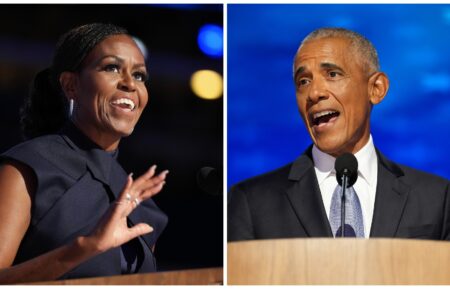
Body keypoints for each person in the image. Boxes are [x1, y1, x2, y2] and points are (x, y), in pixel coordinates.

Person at [228, 27, 450, 241]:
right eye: (303, 81)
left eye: (332, 74)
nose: (314, 93)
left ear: (376, 88)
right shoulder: (252, 201)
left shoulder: (436, 197)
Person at [0, 23, 169, 283]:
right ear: (71, 85)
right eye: (112, 68)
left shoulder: (143, 206)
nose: (130, 84)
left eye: (139, 76)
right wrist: (86, 247)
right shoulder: (26, 168)